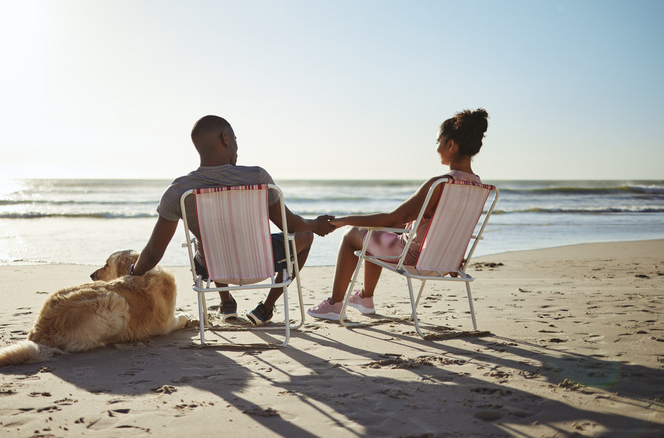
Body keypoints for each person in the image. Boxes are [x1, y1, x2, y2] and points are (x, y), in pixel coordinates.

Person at [130, 115, 335, 325]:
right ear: (226, 138)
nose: (237, 146)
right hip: (262, 262)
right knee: (305, 236)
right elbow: (290, 225)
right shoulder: (257, 177)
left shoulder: (178, 191)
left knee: (209, 239)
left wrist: (133, 273)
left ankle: (226, 302)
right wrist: (315, 225)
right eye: (236, 140)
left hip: (212, 267)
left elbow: (154, 253)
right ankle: (266, 308)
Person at [307, 108, 489, 321]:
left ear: (450, 144)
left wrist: (343, 221)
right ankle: (364, 298)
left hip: (415, 258)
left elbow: (393, 218)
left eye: (439, 141)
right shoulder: (479, 187)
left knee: (351, 235)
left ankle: (334, 304)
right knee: (377, 232)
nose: (437, 147)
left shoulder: (439, 184)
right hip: (446, 261)